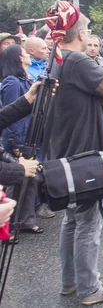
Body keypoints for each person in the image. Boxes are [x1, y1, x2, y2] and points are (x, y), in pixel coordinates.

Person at [41, 6, 103, 304]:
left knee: (72, 221)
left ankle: (72, 282)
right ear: (80, 34)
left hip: (65, 152)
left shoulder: (56, 59)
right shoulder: (77, 60)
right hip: (84, 155)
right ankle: (90, 288)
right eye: (88, 29)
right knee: (89, 224)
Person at [0, 45, 45, 234]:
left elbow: (4, 116)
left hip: (26, 134)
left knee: (30, 180)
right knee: (18, 183)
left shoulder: (24, 79)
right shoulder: (11, 81)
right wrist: (18, 167)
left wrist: (28, 98)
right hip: (17, 139)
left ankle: (24, 220)